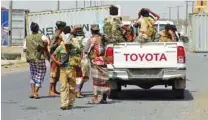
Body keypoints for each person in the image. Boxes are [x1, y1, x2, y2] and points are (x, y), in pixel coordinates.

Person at [84, 24, 110, 104]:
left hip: (94, 61)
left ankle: (95, 99)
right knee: (104, 79)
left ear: (91, 31)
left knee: (96, 80)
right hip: (103, 60)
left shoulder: (90, 39)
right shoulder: (102, 38)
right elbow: (108, 40)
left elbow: (85, 50)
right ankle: (104, 99)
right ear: (98, 31)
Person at [50, 36, 76, 110]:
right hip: (63, 70)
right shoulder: (60, 47)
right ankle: (64, 104)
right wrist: (57, 62)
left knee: (71, 87)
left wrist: (78, 62)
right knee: (63, 86)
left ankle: (70, 103)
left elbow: (80, 53)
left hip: (72, 69)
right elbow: (52, 55)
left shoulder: (74, 47)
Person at [25, 22, 49, 99]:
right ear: (38, 28)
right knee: (40, 74)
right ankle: (36, 92)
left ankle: (32, 92)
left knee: (33, 74)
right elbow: (46, 42)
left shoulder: (27, 38)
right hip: (39, 58)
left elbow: (24, 48)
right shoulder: (42, 36)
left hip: (31, 59)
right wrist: (43, 49)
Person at [49, 21, 66, 96]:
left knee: (56, 75)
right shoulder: (56, 35)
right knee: (53, 74)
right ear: (61, 27)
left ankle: (54, 90)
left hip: (58, 57)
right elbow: (51, 46)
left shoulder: (59, 34)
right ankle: (50, 91)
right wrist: (57, 43)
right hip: (54, 57)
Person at [71, 25, 86, 98]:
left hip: (73, 59)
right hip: (82, 59)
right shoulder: (84, 39)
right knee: (80, 76)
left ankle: (75, 91)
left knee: (75, 76)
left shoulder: (72, 39)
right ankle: (78, 91)